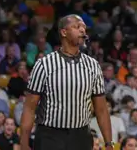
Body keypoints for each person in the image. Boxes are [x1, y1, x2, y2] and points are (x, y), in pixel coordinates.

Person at [20, 15, 113, 150]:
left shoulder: (93, 65)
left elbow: (101, 109)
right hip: (50, 135)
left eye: (84, 28)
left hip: (81, 135)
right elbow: (29, 107)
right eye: (77, 27)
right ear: (64, 32)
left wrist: (109, 143)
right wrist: (24, 143)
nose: (82, 30)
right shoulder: (44, 64)